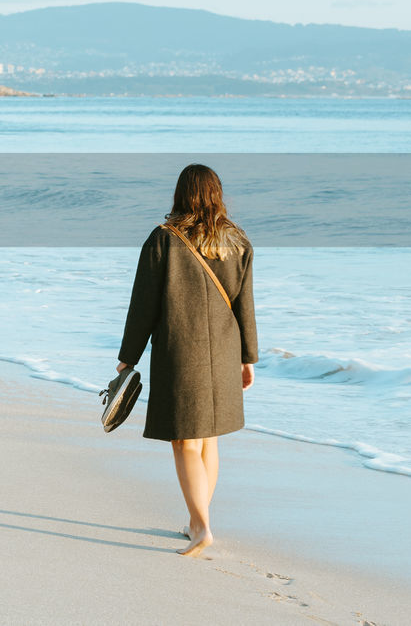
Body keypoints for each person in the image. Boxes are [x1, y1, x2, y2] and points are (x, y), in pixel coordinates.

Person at [116, 163, 258, 557]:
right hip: (226, 352)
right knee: (209, 440)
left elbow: (142, 305)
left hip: (182, 351)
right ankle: (198, 519)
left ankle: (200, 526)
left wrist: (128, 358)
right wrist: (248, 359)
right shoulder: (238, 241)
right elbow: (245, 305)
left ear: (181, 194)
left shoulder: (164, 239)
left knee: (184, 441)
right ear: (217, 194)